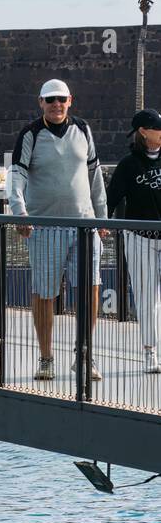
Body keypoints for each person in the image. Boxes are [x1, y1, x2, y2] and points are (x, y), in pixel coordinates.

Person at [8, 79, 109, 382]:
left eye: (61, 99)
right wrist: (20, 214)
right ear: (40, 102)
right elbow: (16, 177)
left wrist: (102, 218)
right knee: (44, 294)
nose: (56, 104)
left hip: (84, 225)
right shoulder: (30, 134)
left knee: (90, 290)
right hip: (44, 227)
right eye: (50, 100)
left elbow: (95, 176)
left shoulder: (83, 129)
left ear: (70, 100)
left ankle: (84, 356)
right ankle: (46, 358)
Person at [107, 108, 161, 372]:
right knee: (147, 297)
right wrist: (101, 225)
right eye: (158, 128)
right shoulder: (129, 164)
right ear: (144, 132)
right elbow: (111, 197)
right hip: (140, 238)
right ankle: (150, 351)